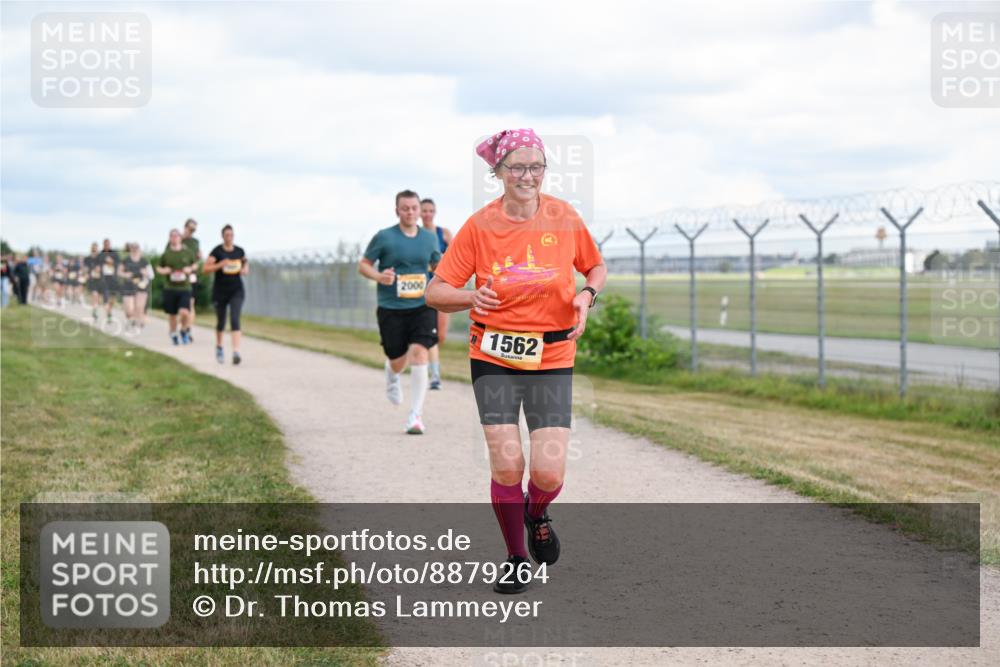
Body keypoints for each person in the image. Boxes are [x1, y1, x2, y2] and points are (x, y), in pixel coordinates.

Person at [426, 128, 607, 594]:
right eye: (517, 167)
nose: (528, 175)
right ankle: (515, 557)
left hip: (552, 353)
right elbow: (435, 292)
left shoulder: (564, 216)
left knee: (548, 472)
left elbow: (595, 265)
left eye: (536, 166)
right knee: (508, 465)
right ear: (498, 172)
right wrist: (471, 297)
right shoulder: (479, 226)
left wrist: (587, 295)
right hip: (494, 355)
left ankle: (536, 513)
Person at [358, 190, 442, 434]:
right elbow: (364, 265)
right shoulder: (384, 237)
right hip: (391, 308)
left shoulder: (429, 238)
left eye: (414, 208)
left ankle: (415, 416)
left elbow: (437, 265)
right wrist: (379, 276)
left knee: (420, 353)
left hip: (422, 306)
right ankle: (392, 374)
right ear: (397, 211)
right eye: (405, 208)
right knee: (397, 360)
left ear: (419, 210)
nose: (410, 212)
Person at [202, 224, 248, 365]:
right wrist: (220, 264)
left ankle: (236, 352)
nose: (229, 237)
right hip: (220, 291)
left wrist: (245, 269)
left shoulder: (239, 251)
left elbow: (245, 263)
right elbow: (205, 269)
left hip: (236, 290)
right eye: (227, 235)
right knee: (221, 322)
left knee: (235, 318)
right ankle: (219, 346)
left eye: (231, 235)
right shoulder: (217, 251)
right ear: (222, 236)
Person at [420, 198, 453, 390]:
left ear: (435, 212)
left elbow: (457, 255)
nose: (427, 214)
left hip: (441, 288)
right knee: (426, 333)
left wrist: (441, 259)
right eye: (424, 211)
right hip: (420, 291)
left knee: (440, 335)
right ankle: (433, 375)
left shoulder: (444, 233)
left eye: (430, 210)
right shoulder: (415, 235)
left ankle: (428, 368)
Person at [157, 229, 199, 345]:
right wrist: (164, 270)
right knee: (172, 315)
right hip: (170, 288)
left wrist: (190, 269)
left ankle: (184, 330)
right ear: (170, 238)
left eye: (176, 236)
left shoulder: (187, 253)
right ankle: (173, 333)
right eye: (172, 236)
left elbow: (195, 265)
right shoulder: (166, 254)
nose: (174, 238)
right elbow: (159, 268)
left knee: (185, 312)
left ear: (180, 238)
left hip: (185, 288)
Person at [177, 218, 202, 341]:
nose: (192, 232)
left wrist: (198, 257)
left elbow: (197, 258)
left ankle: (187, 329)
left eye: (194, 230)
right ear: (185, 227)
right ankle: (183, 326)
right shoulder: (176, 239)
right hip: (177, 278)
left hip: (191, 276)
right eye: (190, 229)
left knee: (191, 304)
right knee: (181, 308)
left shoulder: (195, 242)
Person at [120, 243, 152, 330]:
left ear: (139, 249)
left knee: (139, 307)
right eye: (133, 248)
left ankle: (138, 323)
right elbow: (119, 272)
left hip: (141, 286)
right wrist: (125, 274)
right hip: (128, 286)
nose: (134, 250)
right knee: (129, 309)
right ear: (130, 249)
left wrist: (145, 273)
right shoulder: (125, 260)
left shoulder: (144, 261)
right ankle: (131, 319)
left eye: (136, 248)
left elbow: (151, 275)